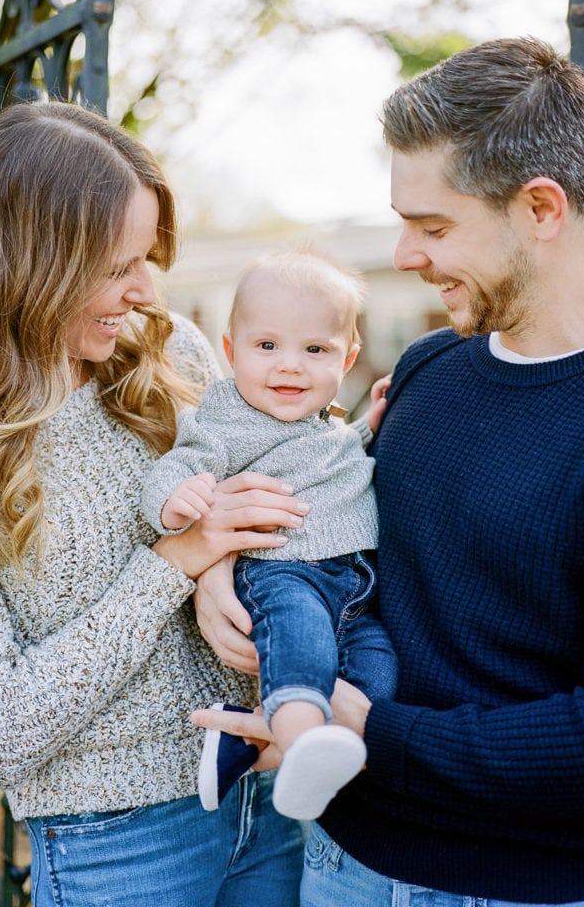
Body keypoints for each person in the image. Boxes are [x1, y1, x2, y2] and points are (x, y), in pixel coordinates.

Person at [191, 36, 584, 906]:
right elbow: (356, 551)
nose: (407, 253)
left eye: (432, 225)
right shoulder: (427, 368)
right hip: (343, 862)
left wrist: (373, 732)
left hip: (529, 889)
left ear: (540, 208)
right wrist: (220, 569)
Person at [0, 100, 309, 907]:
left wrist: (223, 564)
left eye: (147, 257)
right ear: (29, 263)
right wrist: (174, 564)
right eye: (115, 265)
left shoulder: (173, 352)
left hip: (267, 798)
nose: (144, 290)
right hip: (117, 845)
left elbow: (260, 503)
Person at [141, 250, 396, 821]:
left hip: (354, 586)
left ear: (346, 358)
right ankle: (305, 748)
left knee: (377, 672)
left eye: (315, 350)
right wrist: (173, 501)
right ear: (230, 352)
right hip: (283, 571)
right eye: (267, 347)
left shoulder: (320, 422)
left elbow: (330, 461)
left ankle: (251, 748)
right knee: (302, 652)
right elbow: (179, 465)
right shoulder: (225, 418)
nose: (290, 367)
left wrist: (367, 429)